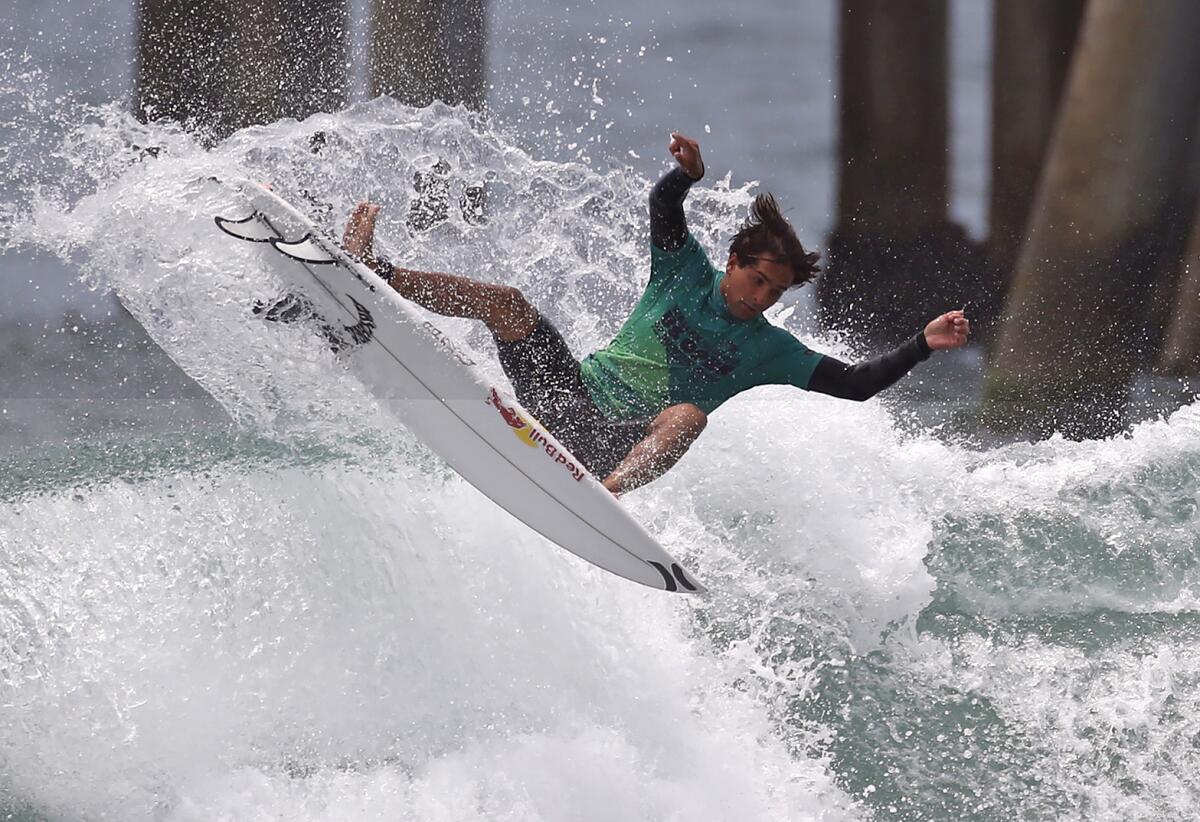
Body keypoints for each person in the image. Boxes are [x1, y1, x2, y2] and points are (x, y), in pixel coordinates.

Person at [342, 133, 970, 496]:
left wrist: (922, 341)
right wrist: (685, 175)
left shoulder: (770, 351)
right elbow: (663, 208)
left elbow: (855, 386)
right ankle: (377, 274)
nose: (759, 298)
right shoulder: (682, 271)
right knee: (508, 304)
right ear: (732, 261)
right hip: (566, 395)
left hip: (616, 447)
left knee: (690, 414)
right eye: (755, 280)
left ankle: (604, 498)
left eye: (774, 293)